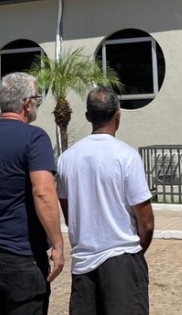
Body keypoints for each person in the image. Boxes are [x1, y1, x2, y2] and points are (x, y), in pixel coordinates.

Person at [0, 72, 65, 315]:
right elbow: (43, 193)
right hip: (22, 257)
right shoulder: (35, 138)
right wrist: (58, 245)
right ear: (26, 104)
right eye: (37, 99)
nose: (37, 104)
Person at [57, 87, 155, 315]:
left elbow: (70, 214)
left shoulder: (66, 159)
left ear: (88, 116)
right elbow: (146, 221)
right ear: (117, 116)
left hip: (83, 263)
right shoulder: (127, 157)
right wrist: (135, 251)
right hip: (122, 261)